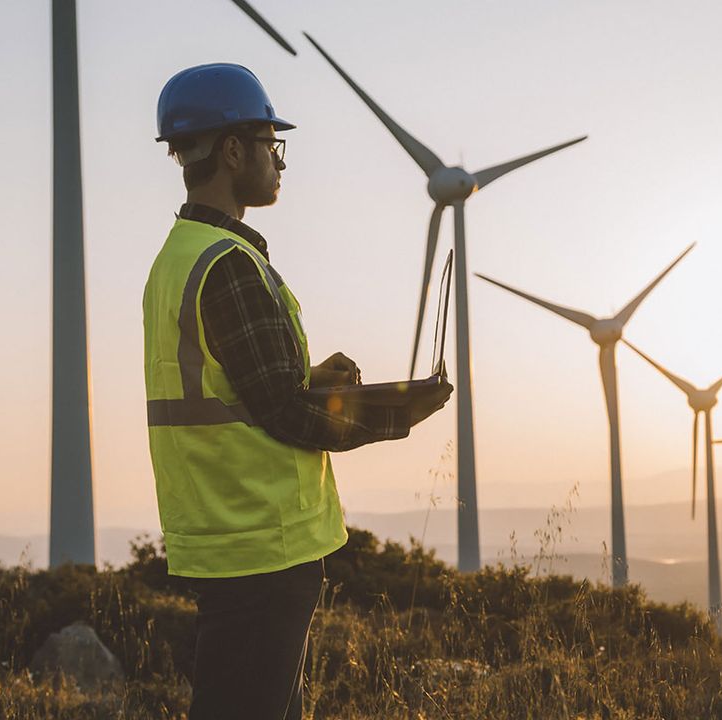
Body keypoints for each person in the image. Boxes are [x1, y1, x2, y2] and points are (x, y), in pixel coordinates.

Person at [143, 63, 452, 720]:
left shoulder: (180, 258)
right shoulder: (228, 266)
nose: (278, 162)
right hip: (262, 541)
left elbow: (234, 392)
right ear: (232, 150)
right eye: (268, 145)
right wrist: (394, 413)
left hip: (223, 537)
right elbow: (281, 412)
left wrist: (313, 380)